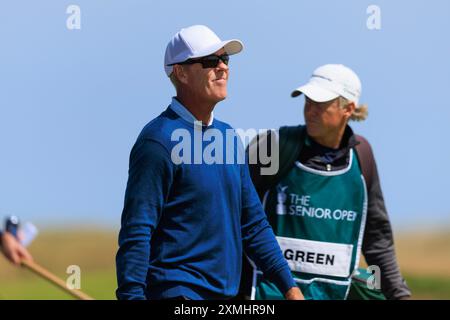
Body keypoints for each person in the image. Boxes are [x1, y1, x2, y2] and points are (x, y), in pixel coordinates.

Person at [115, 25, 303, 300]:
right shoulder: (158, 141)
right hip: (177, 293)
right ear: (180, 72)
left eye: (225, 59)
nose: (222, 68)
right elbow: (138, 229)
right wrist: (131, 295)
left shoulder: (228, 136)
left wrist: (289, 287)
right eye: (210, 61)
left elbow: (252, 223)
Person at [243, 64, 411, 300]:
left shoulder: (362, 157)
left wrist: (399, 295)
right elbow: (234, 218)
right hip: (265, 295)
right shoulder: (273, 146)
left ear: (348, 108)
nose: (310, 111)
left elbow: (377, 240)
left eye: (320, 104)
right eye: (307, 102)